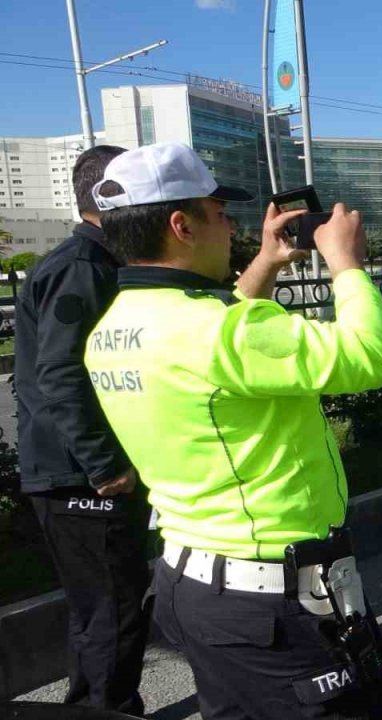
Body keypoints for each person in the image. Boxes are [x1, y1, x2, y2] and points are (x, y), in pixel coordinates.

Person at [83, 143, 382, 719]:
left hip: (198, 585)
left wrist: (269, 261)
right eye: (219, 212)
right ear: (181, 225)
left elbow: (219, 338)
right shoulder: (219, 334)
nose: (231, 226)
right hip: (274, 602)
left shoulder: (117, 326)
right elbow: (368, 356)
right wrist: (347, 264)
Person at [13, 144, 150, 716]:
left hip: (77, 472)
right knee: (112, 610)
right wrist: (103, 463)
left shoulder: (99, 261)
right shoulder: (81, 267)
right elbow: (60, 372)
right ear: (108, 197)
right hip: (79, 477)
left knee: (99, 609)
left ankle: (96, 704)